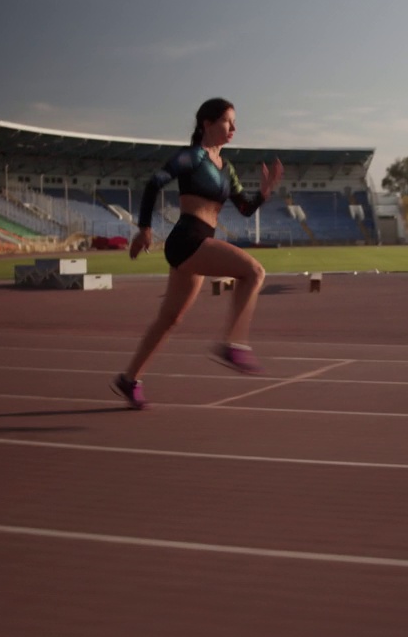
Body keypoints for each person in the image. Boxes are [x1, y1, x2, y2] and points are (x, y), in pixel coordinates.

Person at [111, 97, 283, 409]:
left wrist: (264, 194)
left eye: (234, 122)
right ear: (207, 123)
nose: (234, 127)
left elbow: (244, 208)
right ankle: (233, 344)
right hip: (187, 239)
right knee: (254, 272)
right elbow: (154, 183)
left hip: (199, 243)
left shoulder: (225, 168)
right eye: (228, 121)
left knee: (170, 318)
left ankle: (129, 378)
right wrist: (145, 229)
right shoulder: (192, 157)